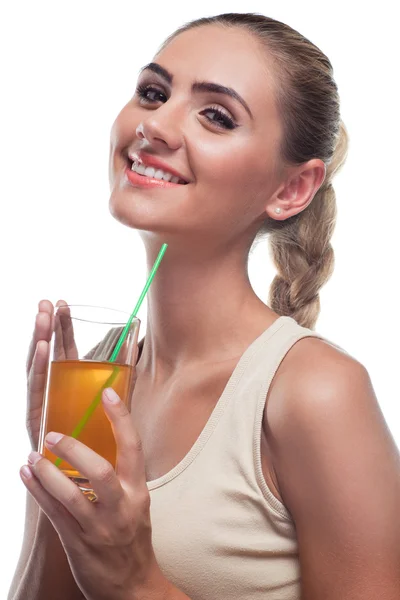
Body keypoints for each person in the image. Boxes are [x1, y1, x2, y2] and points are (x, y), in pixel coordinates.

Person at [8, 12, 400, 600]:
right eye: (153, 93)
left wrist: (136, 581)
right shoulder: (96, 373)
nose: (156, 125)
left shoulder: (315, 393)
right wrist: (53, 478)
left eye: (216, 116)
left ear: (291, 189)